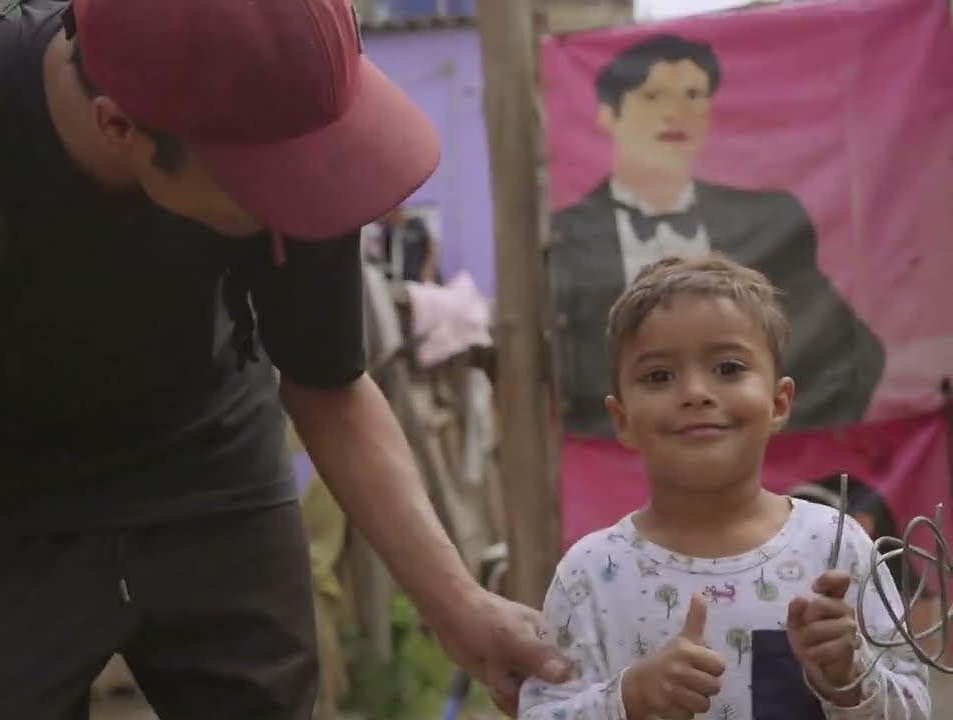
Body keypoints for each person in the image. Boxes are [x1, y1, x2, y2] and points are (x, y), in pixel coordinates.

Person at [0, 1, 573, 719]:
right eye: (268, 183)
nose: (307, 194)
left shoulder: (296, 118)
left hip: (214, 462)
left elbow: (328, 386)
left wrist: (461, 606)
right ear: (121, 127)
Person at [518, 255, 930, 719]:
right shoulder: (591, 576)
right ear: (622, 419)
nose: (695, 392)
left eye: (729, 368)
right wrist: (628, 698)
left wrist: (846, 677)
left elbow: (915, 707)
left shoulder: (836, 549)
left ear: (779, 402)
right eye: (659, 376)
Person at [548, 33, 885, 438]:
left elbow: (856, 352)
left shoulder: (772, 216)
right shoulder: (562, 235)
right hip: (609, 469)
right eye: (652, 96)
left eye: (693, 95)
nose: (676, 113)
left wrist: (797, 444)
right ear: (607, 113)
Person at [375, 205, 441, 283]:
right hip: (399, 279)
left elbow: (432, 250)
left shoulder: (416, 224)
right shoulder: (389, 231)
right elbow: (383, 255)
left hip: (419, 277)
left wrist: (427, 271)